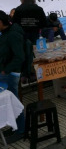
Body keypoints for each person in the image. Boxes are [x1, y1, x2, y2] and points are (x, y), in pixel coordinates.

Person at [0, 10, 25, 144]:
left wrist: (6, 70)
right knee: (10, 102)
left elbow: (19, 56)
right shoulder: (5, 33)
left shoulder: (13, 34)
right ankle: (16, 127)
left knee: (14, 102)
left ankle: (21, 130)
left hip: (10, 74)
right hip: (6, 72)